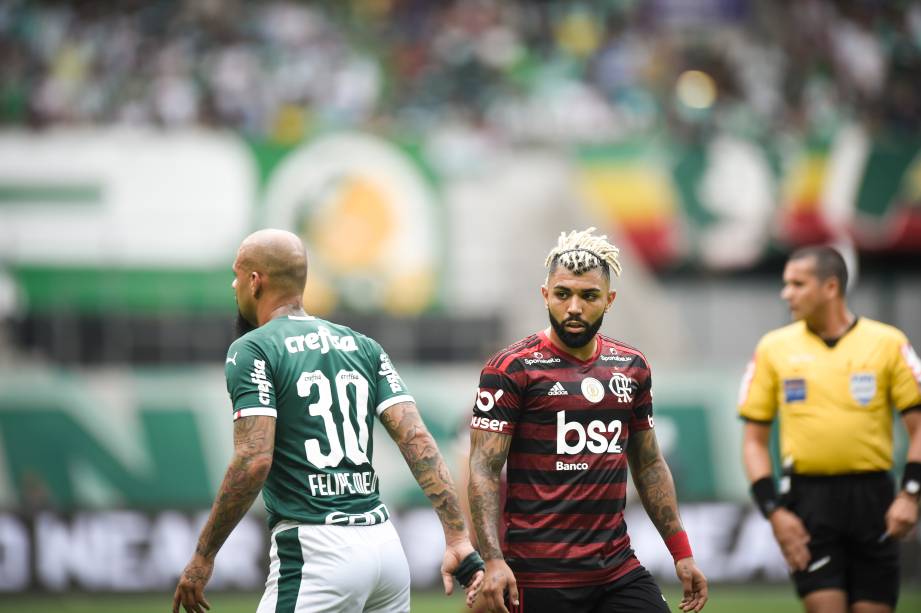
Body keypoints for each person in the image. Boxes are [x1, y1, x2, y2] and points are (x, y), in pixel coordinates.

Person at [173, 229, 483, 613]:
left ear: (255, 282)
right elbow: (417, 440)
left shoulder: (252, 349)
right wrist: (456, 537)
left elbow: (253, 460)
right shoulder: (362, 345)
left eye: (237, 275)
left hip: (318, 550)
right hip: (385, 549)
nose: (233, 284)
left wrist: (203, 555)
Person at [466, 227, 708, 613]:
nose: (574, 307)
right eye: (563, 294)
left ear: (609, 300)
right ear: (546, 295)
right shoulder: (512, 368)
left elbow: (647, 464)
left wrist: (682, 552)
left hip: (615, 570)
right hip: (538, 574)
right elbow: (483, 469)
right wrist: (492, 560)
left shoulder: (631, 367)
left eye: (588, 295)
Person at [739, 245, 921, 613]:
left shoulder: (888, 343)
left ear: (831, 287)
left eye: (797, 284)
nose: (786, 293)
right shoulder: (774, 348)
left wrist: (910, 494)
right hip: (809, 500)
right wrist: (774, 512)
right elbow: (754, 442)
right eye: (785, 284)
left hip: (874, 499)